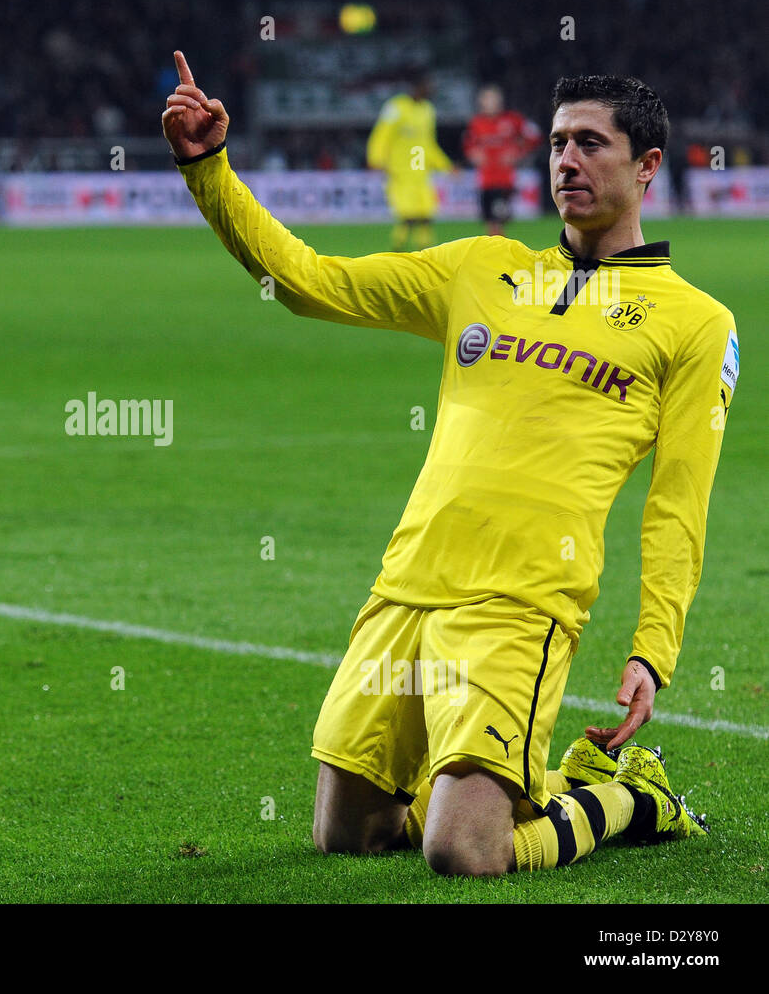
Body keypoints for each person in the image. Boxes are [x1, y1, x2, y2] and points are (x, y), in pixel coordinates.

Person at [163, 51, 737, 876]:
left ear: (647, 165)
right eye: (558, 143)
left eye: (591, 144)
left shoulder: (694, 323)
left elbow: (679, 501)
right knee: (345, 835)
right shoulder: (482, 266)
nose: (567, 161)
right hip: (410, 581)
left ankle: (625, 798)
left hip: (519, 599)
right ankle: (473, 782)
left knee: (463, 853)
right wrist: (206, 168)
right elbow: (307, 281)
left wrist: (654, 647)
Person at [366, 69, 453, 249]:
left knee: (426, 215)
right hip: (400, 171)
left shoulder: (427, 110)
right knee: (408, 216)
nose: (430, 89)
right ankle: (397, 249)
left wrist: (446, 166)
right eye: (427, 85)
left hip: (420, 170)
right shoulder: (396, 107)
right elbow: (382, 134)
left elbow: (428, 144)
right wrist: (376, 158)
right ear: (416, 87)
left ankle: (426, 252)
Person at [463, 84, 542, 235]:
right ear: (481, 102)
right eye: (487, 99)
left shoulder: (512, 120)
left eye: (494, 99)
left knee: (498, 220)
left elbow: (534, 136)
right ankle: (497, 252)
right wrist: (473, 153)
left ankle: (498, 252)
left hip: (504, 181)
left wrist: (519, 152)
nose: (492, 103)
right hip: (485, 181)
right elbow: (468, 145)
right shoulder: (477, 123)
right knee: (490, 223)